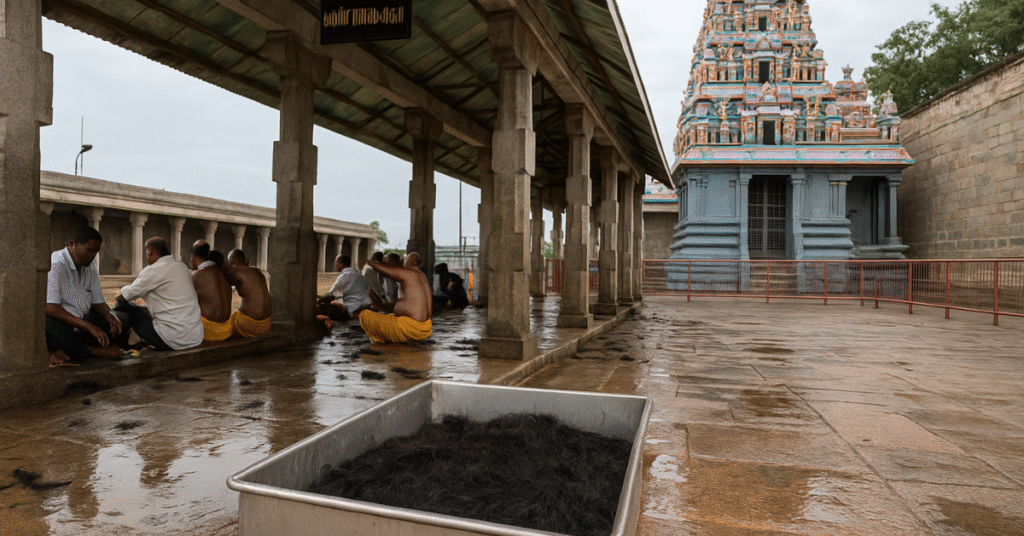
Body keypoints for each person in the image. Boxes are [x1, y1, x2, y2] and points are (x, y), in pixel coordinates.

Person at [45, 226, 127, 366]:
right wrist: (88, 327)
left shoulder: (90, 264)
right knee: (50, 328)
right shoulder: (57, 264)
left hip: (82, 322)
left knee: (117, 323)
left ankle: (72, 350)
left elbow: (97, 301)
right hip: (62, 322)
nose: (92, 255)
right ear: (72, 244)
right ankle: (91, 351)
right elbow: (50, 308)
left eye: (96, 251)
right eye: (89, 250)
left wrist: (109, 316)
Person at [115, 237, 204, 351]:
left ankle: (124, 346)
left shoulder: (153, 270)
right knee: (141, 310)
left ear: (150, 251)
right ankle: (136, 340)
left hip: (172, 341)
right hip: (195, 338)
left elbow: (122, 296)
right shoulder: (182, 267)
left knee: (123, 305)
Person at [357, 252, 432, 343]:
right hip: (425, 328)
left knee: (365, 315)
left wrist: (369, 262)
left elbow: (384, 270)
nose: (403, 260)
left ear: (413, 260)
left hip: (410, 328)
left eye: (406, 258)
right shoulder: (421, 275)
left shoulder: (410, 273)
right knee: (387, 316)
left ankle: (380, 342)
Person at [189, 243, 233, 342]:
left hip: (208, 332)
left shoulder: (196, 275)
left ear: (193, 256)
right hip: (226, 330)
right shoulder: (222, 273)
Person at [223, 249, 272, 338]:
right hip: (267, 323)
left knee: (222, 327)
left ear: (234, 261)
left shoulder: (238, 272)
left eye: (229, 262)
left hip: (250, 325)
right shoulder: (259, 271)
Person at [317, 254, 371, 321]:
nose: (335, 266)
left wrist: (318, 300)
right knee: (334, 302)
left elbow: (331, 294)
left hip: (354, 308)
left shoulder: (345, 275)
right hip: (366, 305)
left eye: (336, 263)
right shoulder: (358, 273)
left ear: (340, 263)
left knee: (320, 308)